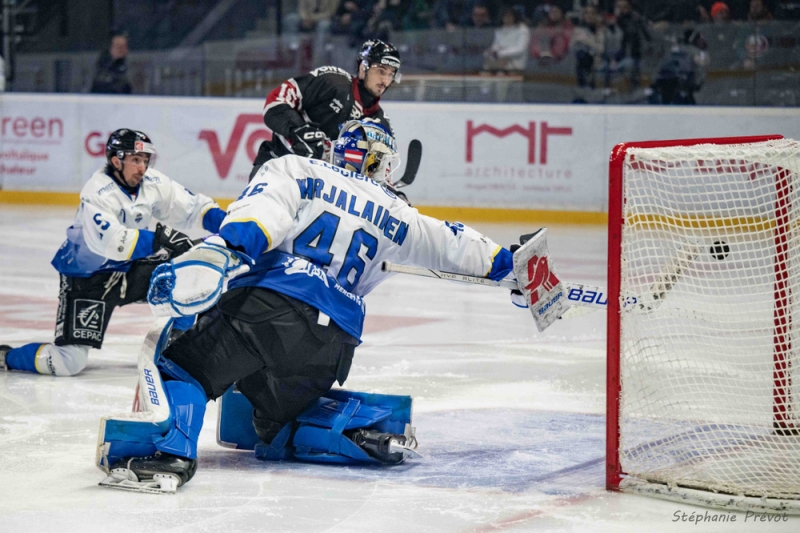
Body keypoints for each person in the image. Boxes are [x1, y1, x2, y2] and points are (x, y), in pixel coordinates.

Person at [96, 119, 515, 492]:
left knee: (181, 366)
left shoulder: (298, 167)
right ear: (383, 162)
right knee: (272, 424)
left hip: (266, 309)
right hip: (331, 344)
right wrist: (513, 266)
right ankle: (353, 434)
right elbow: (455, 243)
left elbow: (260, 219)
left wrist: (221, 252)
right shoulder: (399, 214)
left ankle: (172, 456)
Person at [0, 130, 226, 377]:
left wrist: (231, 227)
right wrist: (162, 237)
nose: (142, 167)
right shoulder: (97, 191)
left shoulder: (151, 183)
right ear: (116, 161)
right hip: (88, 278)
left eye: (145, 160)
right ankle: (6, 357)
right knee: (68, 363)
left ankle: (176, 344)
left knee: (190, 265)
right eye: (135, 160)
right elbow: (113, 243)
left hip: (129, 270)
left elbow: (194, 208)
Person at [248, 39, 400, 181]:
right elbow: (276, 100)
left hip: (321, 194)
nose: (385, 81)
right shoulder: (332, 81)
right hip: (278, 168)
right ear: (363, 68)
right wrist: (297, 131)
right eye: (381, 71)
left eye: (391, 74)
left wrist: (394, 195)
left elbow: (380, 177)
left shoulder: (381, 125)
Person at [482, 7, 531, 74]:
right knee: (486, 69)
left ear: (514, 17)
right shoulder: (499, 30)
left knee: (501, 72)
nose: (507, 18)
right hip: (500, 59)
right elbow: (496, 45)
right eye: (505, 16)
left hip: (515, 61)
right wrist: (490, 52)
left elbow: (520, 49)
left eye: (509, 16)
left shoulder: (522, 29)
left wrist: (501, 54)